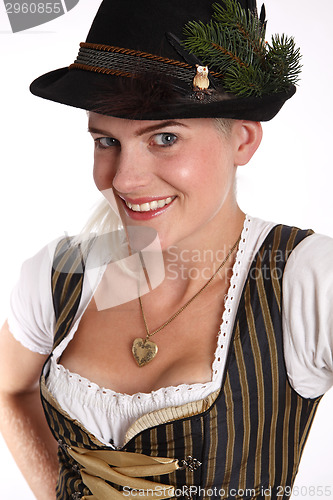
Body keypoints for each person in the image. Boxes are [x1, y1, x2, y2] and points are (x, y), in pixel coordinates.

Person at [0, 1, 332, 499]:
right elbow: (9, 388)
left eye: (165, 137)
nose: (124, 181)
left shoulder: (307, 280)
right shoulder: (61, 273)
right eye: (106, 141)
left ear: (242, 140)